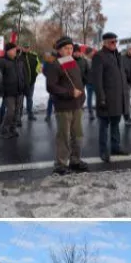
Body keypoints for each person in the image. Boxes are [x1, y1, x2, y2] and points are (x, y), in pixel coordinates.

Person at [45, 36, 89, 175]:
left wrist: (82, 96)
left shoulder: (71, 62)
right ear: (59, 50)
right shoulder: (55, 65)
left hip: (77, 106)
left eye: (70, 48)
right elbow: (51, 86)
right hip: (63, 107)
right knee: (64, 136)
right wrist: (70, 92)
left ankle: (75, 160)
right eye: (66, 48)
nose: (69, 50)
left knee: (78, 135)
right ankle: (61, 164)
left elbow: (76, 81)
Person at [91, 31, 131, 162]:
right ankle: (103, 151)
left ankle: (116, 147)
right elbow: (97, 80)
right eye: (112, 42)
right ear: (105, 43)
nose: (114, 44)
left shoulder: (118, 56)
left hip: (118, 98)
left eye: (116, 41)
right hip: (107, 99)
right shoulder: (99, 56)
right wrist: (101, 98)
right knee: (104, 126)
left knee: (115, 125)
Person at [0, 42, 27, 138]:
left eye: (15, 50)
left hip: (20, 91)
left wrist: (25, 86)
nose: (15, 51)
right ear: (8, 51)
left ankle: (12, 129)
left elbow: (23, 75)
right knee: (10, 111)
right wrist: (2, 91)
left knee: (17, 112)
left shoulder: (19, 61)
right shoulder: (2, 62)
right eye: (13, 50)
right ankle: (4, 130)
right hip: (8, 92)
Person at [22, 46, 42, 120]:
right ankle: (18, 117)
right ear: (22, 48)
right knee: (20, 100)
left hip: (31, 82)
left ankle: (30, 114)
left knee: (29, 98)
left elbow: (39, 66)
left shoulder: (34, 56)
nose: (26, 49)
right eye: (25, 47)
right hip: (22, 83)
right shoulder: (19, 56)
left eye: (27, 47)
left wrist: (36, 74)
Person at [76, 46, 95, 120]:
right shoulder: (85, 60)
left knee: (93, 97)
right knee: (90, 97)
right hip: (89, 82)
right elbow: (85, 71)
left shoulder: (91, 59)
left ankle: (92, 112)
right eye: (92, 52)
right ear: (89, 53)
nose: (93, 53)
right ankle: (90, 112)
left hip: (93, 81)